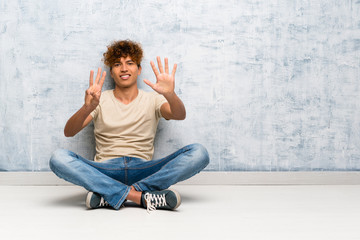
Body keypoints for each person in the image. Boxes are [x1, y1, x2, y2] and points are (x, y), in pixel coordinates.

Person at [49, 40, 209, 212]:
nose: (124, 68)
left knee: (199, 153)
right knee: (58, 158)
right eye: (117, 64)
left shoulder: (153, 99)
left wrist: (170, 95)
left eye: (130, 63)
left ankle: (111, 194)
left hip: (144, 169)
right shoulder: (99, 99)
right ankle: (139, 196)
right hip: (105, 170)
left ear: (139, 69)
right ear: (111, 72)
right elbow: (69, 131)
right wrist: (87, 107)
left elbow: (179, 114)